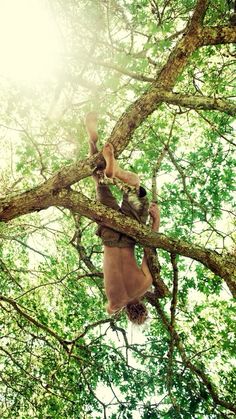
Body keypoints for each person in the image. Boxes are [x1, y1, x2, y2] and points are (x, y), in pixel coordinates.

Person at [85, 112, 160, 324]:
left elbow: (149, 248)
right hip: (109, 231)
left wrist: (156, 220)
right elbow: (110, 310)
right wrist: (117, 308)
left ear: (144, 305)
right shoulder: (113, 303)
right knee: (99, 181)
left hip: (129, 231)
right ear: (128, 312)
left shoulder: (145, 284)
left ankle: (116, 172)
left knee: (136, 188)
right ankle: (93, 142)